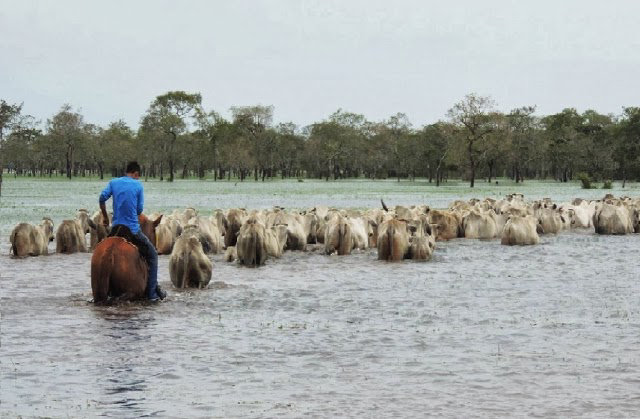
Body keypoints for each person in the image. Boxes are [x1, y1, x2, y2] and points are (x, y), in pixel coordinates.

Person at [98, 161, 166, 302]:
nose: (137, 178)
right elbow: (139, 210)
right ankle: (152, 294)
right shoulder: (138, 185)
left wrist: (105, 216)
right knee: (153, 255)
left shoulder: (113, 182)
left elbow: (101, 198)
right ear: (135, 174)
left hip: (116, 228)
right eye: (138, 176)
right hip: (132, 230)